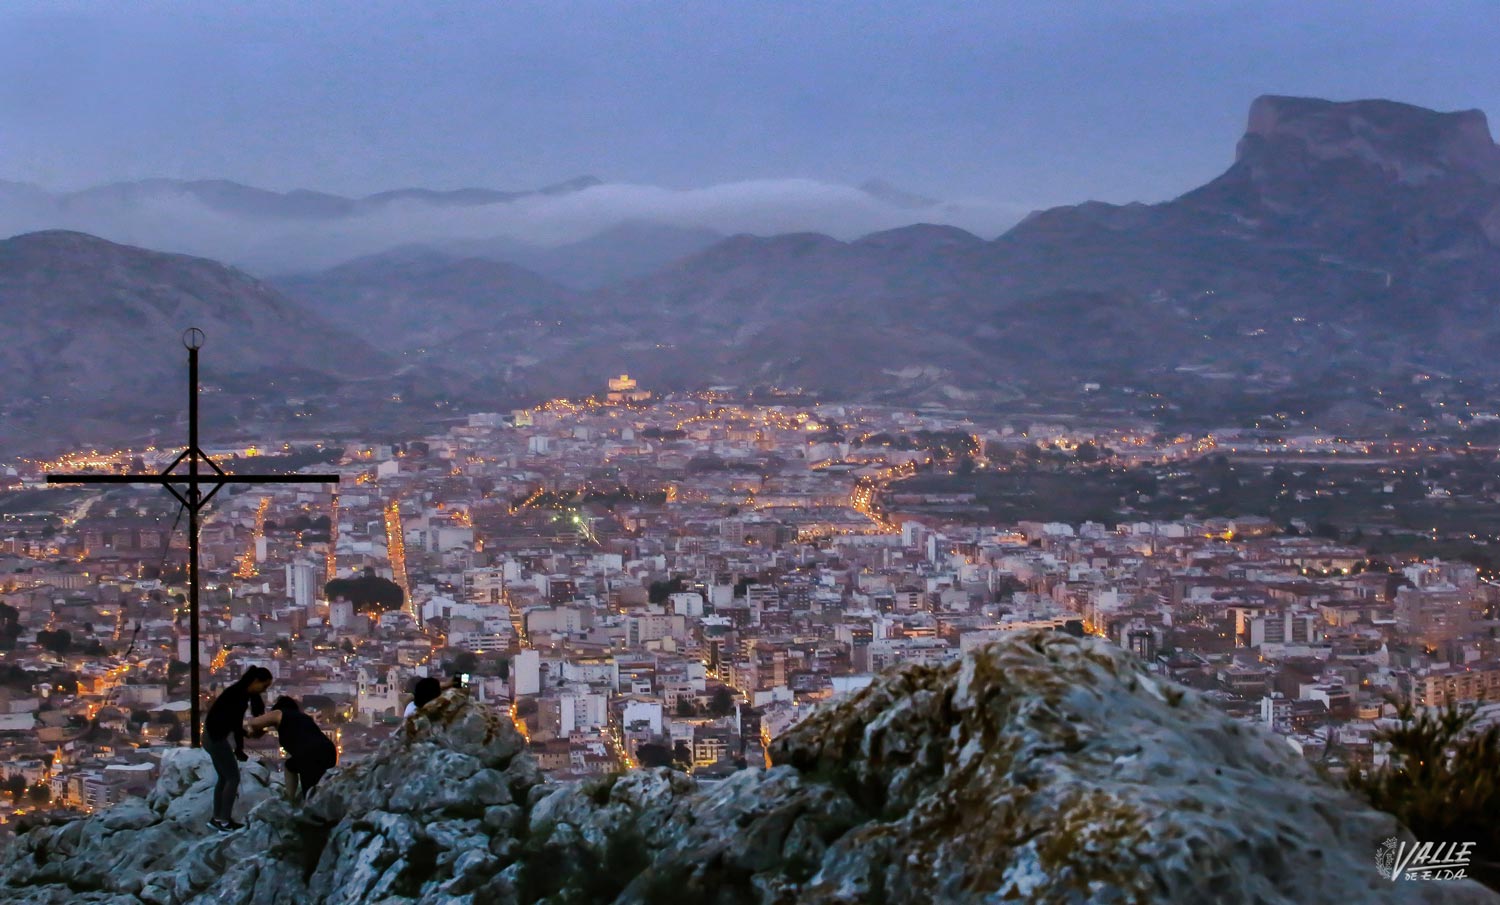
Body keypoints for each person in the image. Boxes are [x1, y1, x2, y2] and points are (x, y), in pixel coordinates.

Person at [203, 665, 272, 831]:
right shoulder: (239, 697)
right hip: (216, 738)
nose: (264, 690)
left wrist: (244, 736)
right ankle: (224, 821)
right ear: (256, 681)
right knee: (232, 778)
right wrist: (239, 748)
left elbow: (232, 723)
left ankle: (217, 818)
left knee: (224, 777)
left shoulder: (238, 691)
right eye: (264, 686)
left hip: (210, 736)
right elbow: (234, 723)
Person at [248, 696, 338, 802]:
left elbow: (254, 723)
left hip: (310, 754)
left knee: (310, 794)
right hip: (329, 752)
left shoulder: (280, 713)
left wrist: (254, 731)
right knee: (291, 765)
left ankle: (298, 804)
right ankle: (290, 798)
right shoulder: (302, 717)